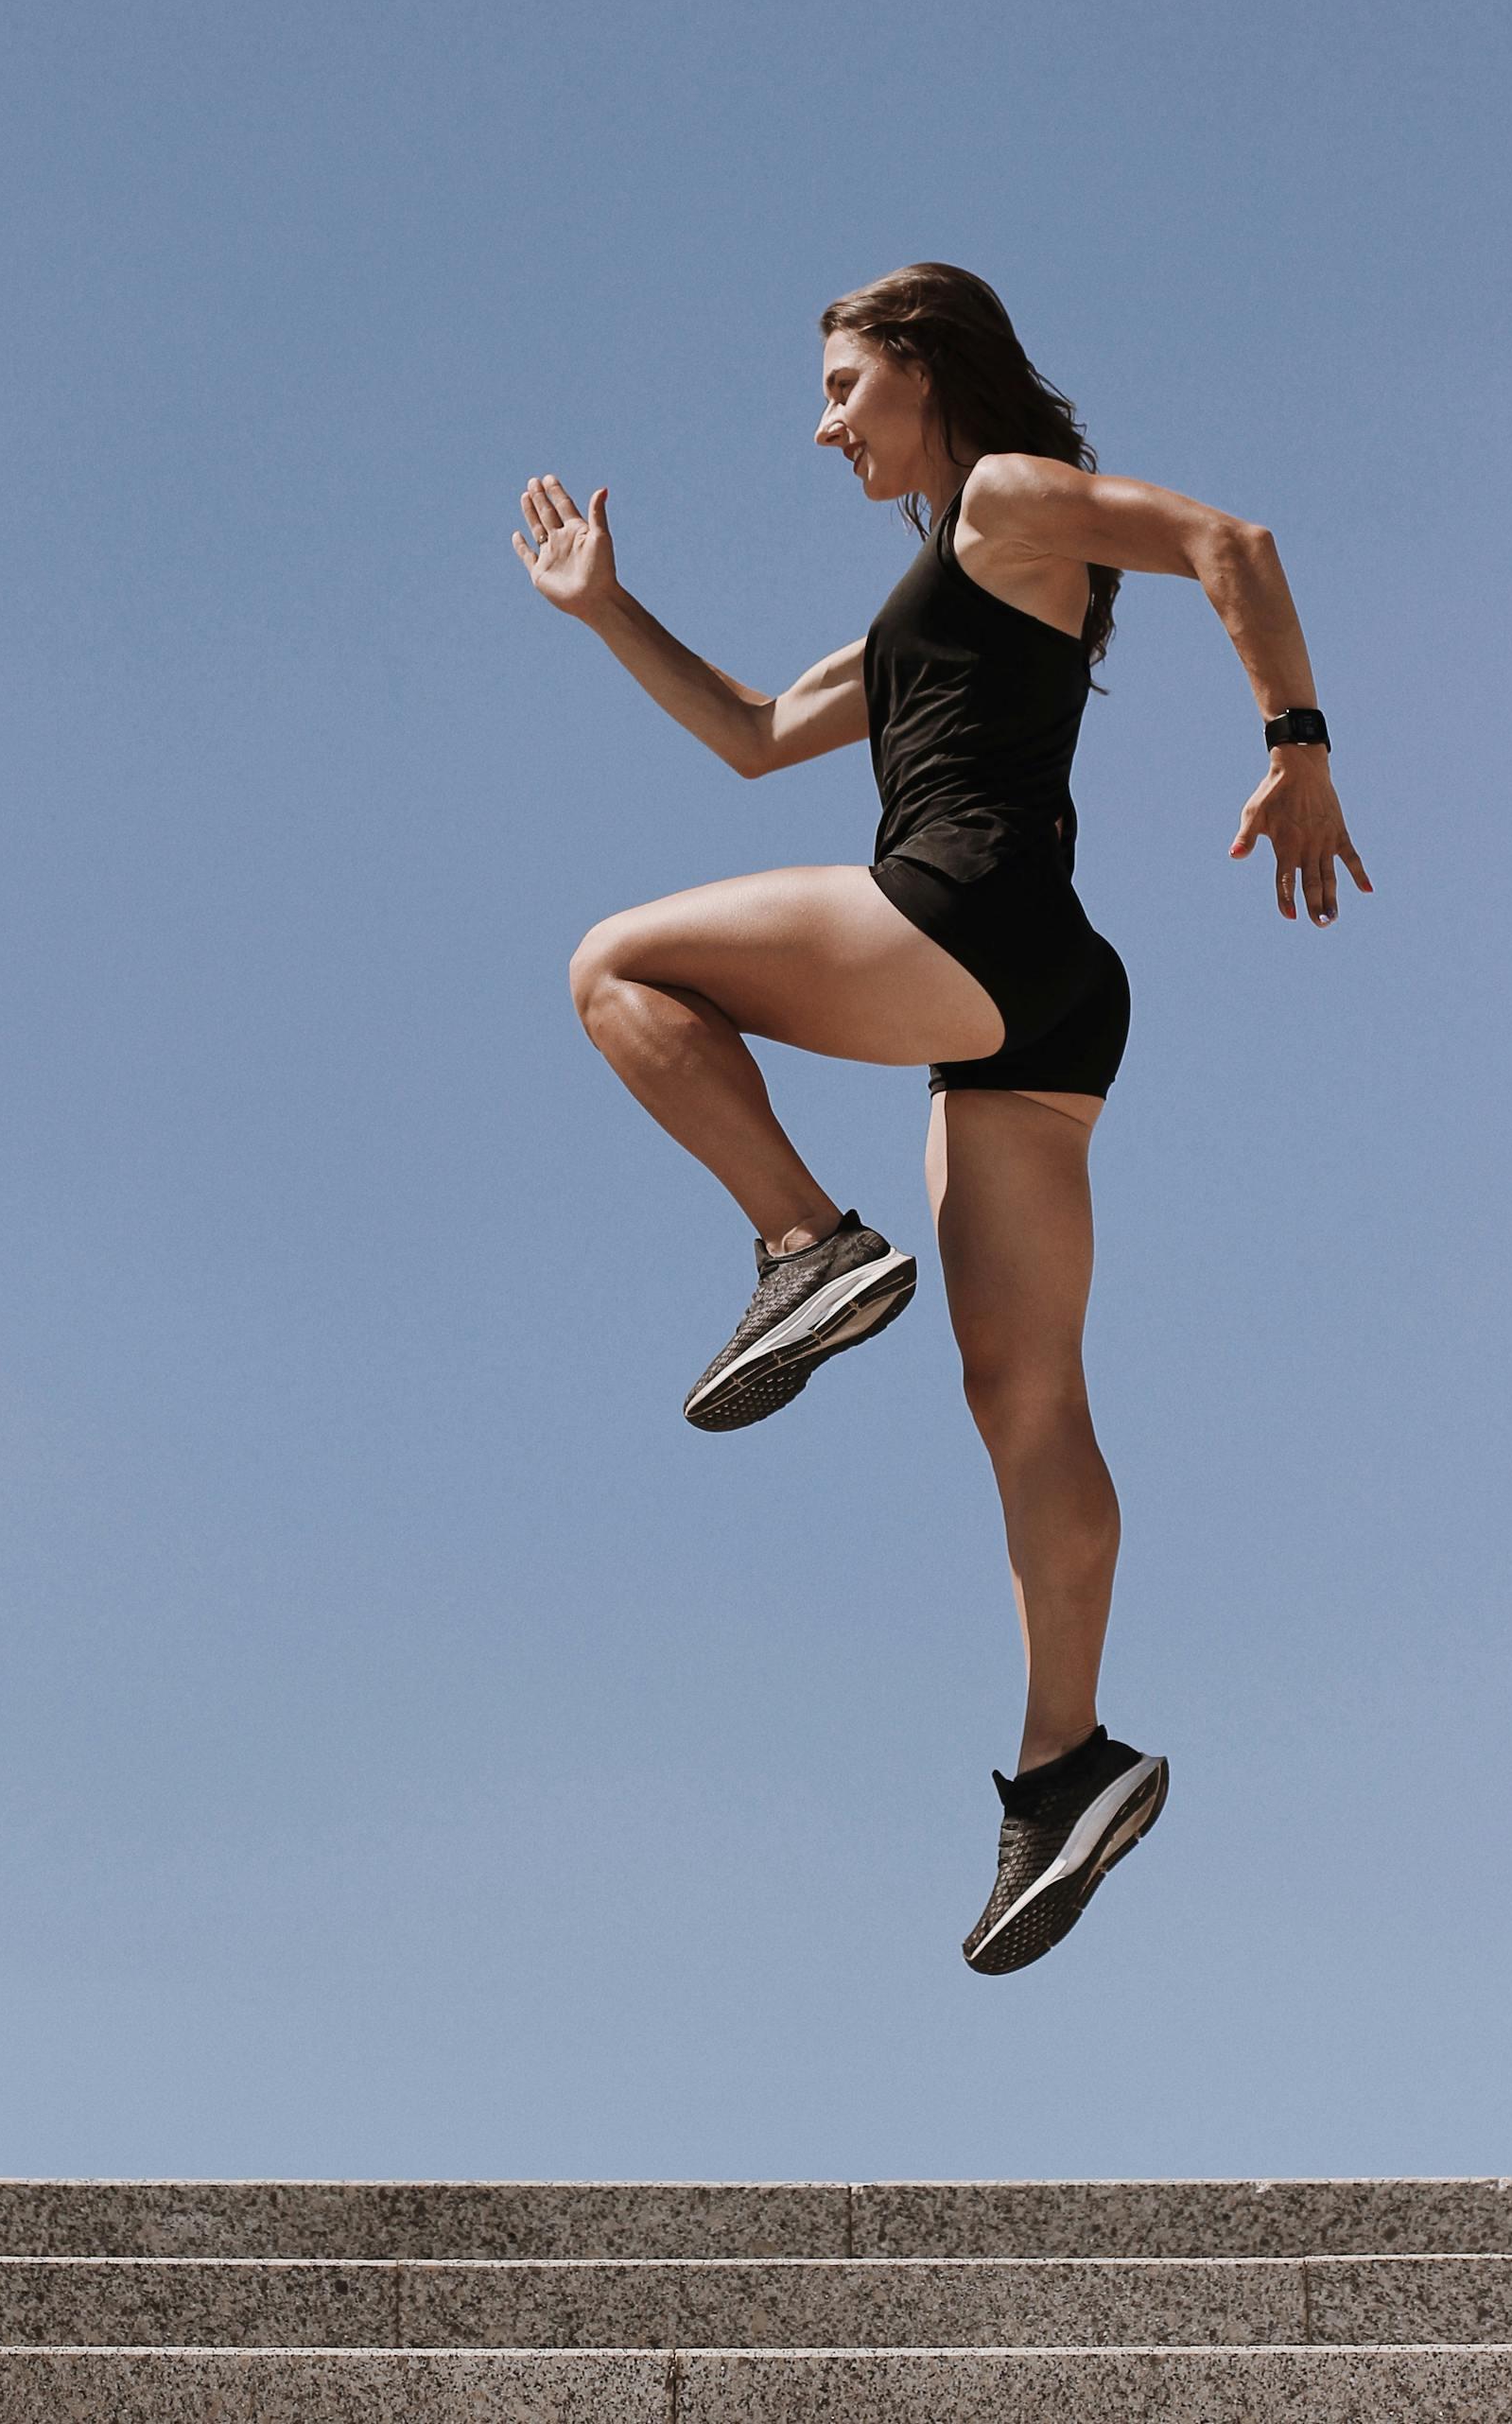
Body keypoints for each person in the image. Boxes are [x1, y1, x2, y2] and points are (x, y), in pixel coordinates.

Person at [513, 263, 1369, 1974]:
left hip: (962, 918)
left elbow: (1234, 544)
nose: (824, 421)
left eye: (844, 384)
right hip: (1046, 992)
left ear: (926, 366)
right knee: (1022, 1392)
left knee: (617, 968)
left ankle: (805, 1244)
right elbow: (757, 734)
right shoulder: (942, 579)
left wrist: (1299, 743)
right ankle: (1068, 1764)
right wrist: (609, 610)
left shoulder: (1003, 495)